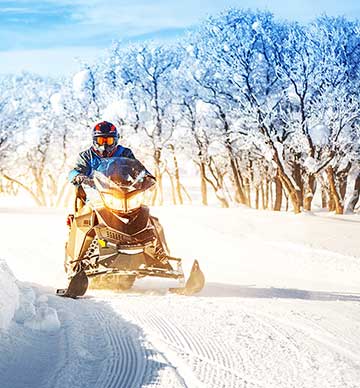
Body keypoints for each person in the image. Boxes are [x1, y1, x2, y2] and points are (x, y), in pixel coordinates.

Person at [69, 121, 136, 185]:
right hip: (95, 192)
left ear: (115, 140)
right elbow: (76, 171)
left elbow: (137, 170)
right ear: (94, 140)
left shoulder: (125, 153)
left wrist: (143, 179)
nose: (104, 145)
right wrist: (77, 175)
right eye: (100, 141)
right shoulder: (87, 156)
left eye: (109, 141)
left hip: (122, 192)